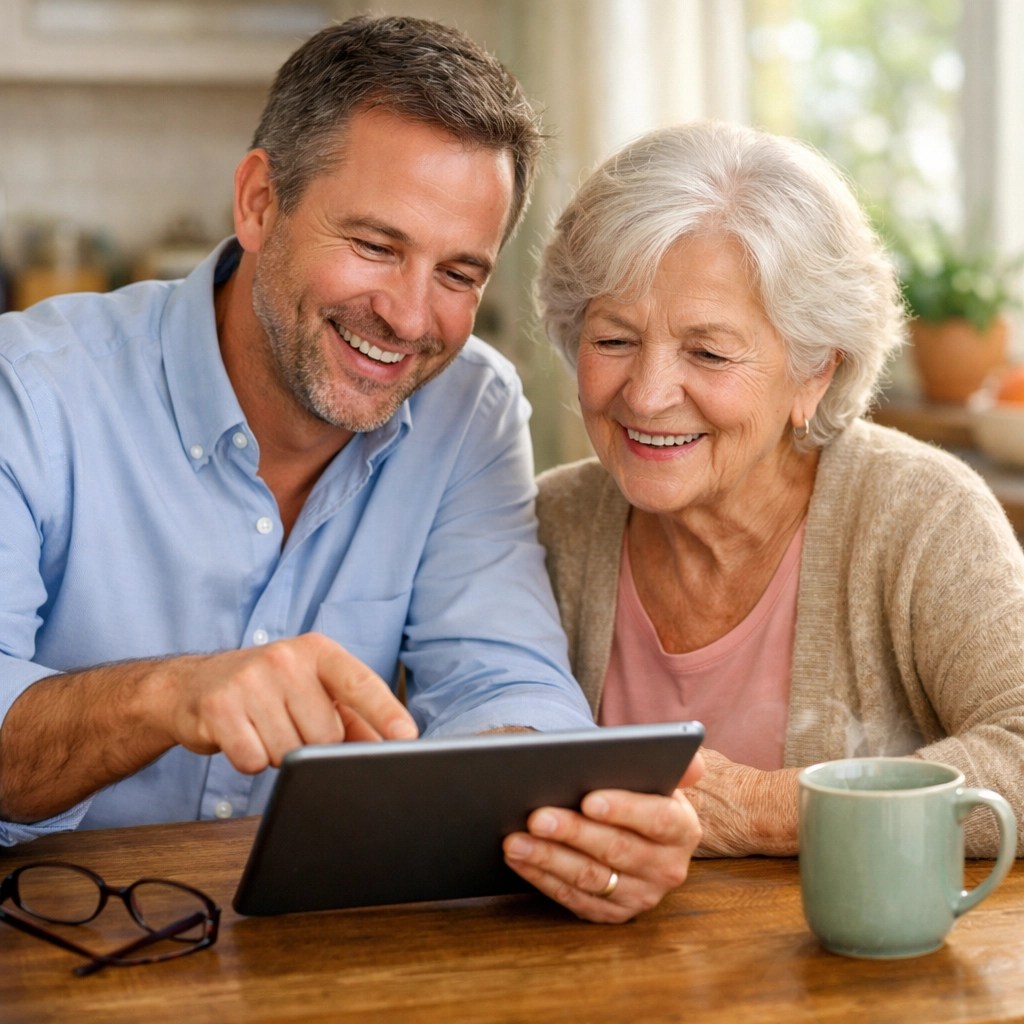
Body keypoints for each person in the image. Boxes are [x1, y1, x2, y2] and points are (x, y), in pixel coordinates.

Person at [0, 15, 701, 923]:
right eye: (375, 246)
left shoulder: (468, 404)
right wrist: (169, 694)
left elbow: (494, 675)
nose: (411, 318)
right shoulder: (31, 389)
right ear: (258, 202)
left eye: (458, 273)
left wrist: (579, 825)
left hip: (310, 955)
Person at [534, 119, 1024, 860]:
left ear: (815, 370)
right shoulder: (547, 524)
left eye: (708, 350)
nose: (648, 393)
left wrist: (773, 808)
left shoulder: (920, 512)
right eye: (613, 339)